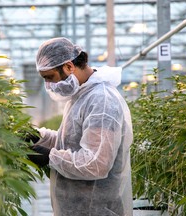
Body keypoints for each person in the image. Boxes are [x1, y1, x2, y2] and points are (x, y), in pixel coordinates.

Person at [28, 37, 133, 216]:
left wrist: (49, 157)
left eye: (50, 77)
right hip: (80, 206)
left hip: (95, 208)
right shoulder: (82, 94)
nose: (49, 85)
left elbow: (96, 163)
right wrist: (38, 135)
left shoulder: (102, 101)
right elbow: (69, 140)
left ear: (69, 66)